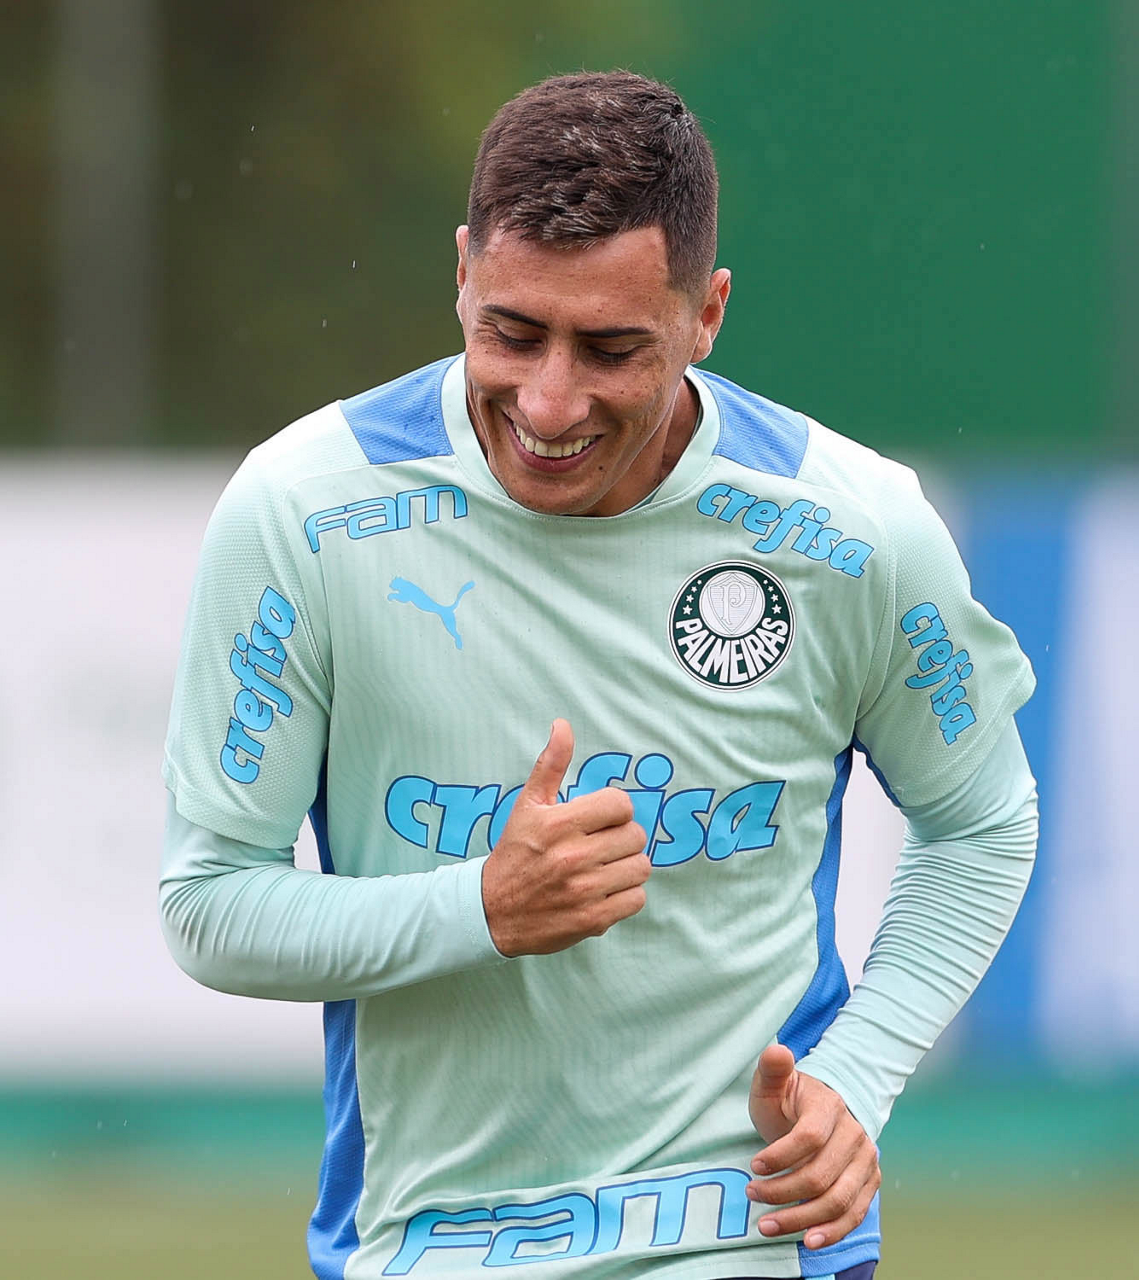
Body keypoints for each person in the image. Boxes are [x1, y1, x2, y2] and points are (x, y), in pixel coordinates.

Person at [161, 71, 1037, 1280]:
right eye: (511, 332)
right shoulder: (303, 510)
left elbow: (981, 817)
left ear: (705, 314)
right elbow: (209, 903)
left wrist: (856, 1074)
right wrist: (479, 906)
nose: (548, 399)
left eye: (611, 347)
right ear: (461, 272)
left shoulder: (851, 530)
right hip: (426, 1247)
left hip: (755, 1241)